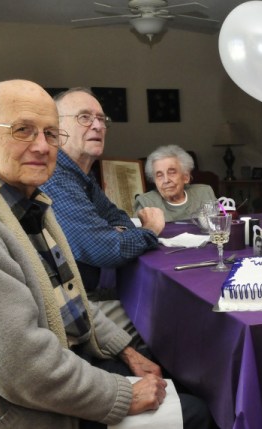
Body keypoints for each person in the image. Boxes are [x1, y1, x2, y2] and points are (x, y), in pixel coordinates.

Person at [0, 80, 211, 428]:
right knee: (198, 412)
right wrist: (122, 394)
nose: (41, 146)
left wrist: (123, 349)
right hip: (38, 412)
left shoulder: (24, 196)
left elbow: (69, 300)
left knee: (176, 373)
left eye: (51, 134)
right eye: (22, 130)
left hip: (65, 363)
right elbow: (22, 370)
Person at [41, 87, 164, 339]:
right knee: (168, 318)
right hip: (72, 310)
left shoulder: (80, 175)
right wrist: (149, 230)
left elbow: (117, 217)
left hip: (94, 296)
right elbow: (107, 250)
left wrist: (117, 234)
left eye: (101, 118)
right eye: (84, 117)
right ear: (55, 130)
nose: (97, 125)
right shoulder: (56, 177)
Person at [134, 145, 216, 221]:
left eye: (172, 172)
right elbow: (137, 235)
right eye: (159, 175)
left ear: (186, 177)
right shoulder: (146, 203)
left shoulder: (204, 193)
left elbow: (219, 225)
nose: (166, 180)